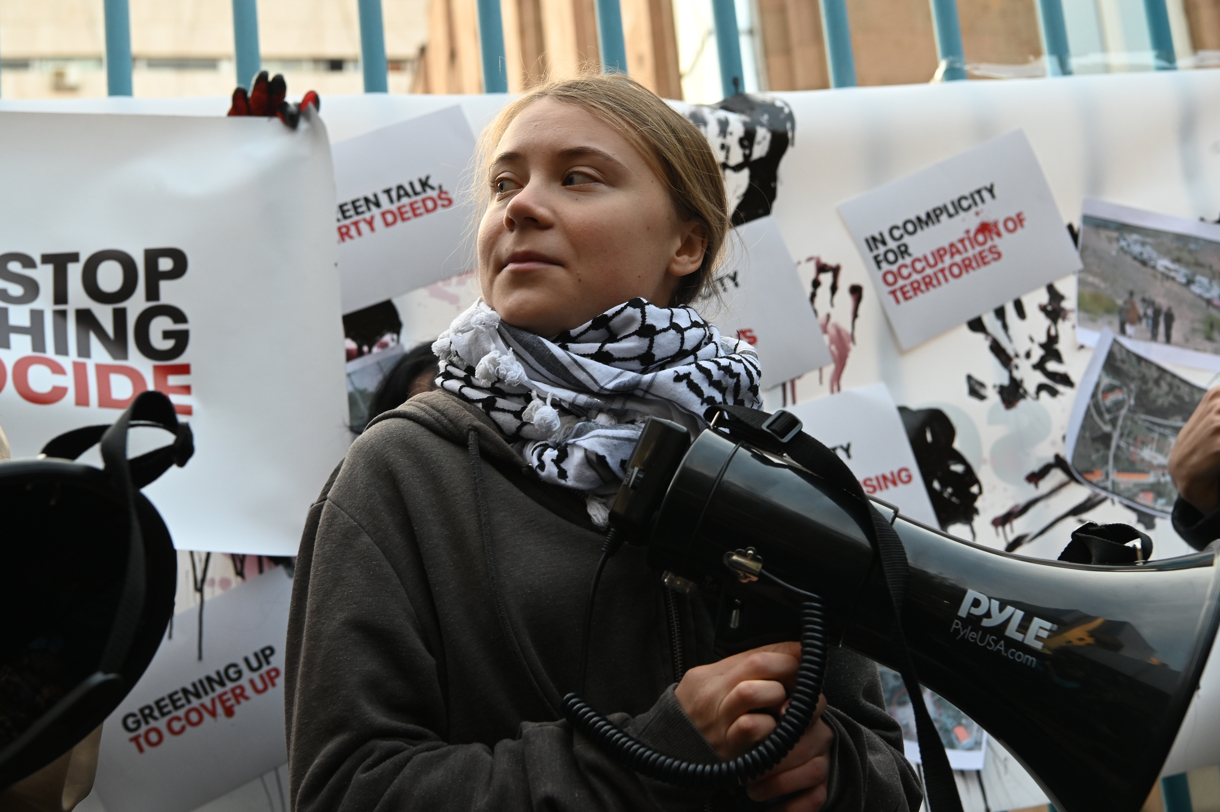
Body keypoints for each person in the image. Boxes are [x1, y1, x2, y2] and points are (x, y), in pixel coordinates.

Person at [285, 74, 920, 812]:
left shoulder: (768, 468)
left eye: (578, 178)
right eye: (503, 184)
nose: (520, 206)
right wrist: (658, 756)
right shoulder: (400, 471)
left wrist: (834, 772)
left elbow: (886, 769)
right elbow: (345, 792)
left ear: (687, 243)